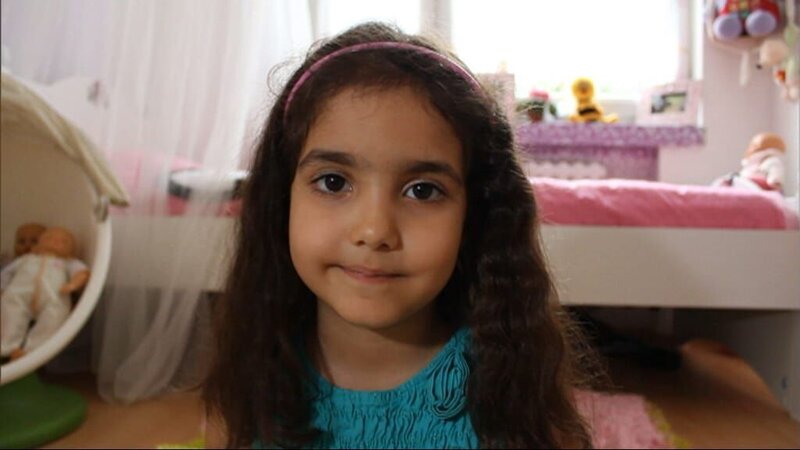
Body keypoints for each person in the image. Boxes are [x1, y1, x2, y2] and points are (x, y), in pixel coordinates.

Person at [203, 22, 594, 449]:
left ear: (474, 215)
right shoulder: (249, 383)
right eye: (333, 182)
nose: (374, 231)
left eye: (422, 191)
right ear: (282, 198)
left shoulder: (518, 401)